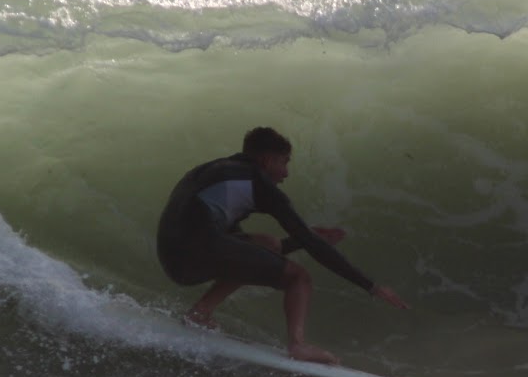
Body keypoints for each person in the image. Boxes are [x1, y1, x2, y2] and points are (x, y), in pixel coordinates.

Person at [157, 126, 409, 364]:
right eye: (284, 162)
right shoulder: (257, 182)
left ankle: (201, 313)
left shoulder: (214, 171)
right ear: (267, 160)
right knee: (299, 278)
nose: (286, 172)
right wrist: (371, 286)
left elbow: (221, 236)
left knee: (269, 243)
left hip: (171, 253)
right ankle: (298, 345)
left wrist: (300, 240)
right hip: (196, 249)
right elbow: (313, 248)